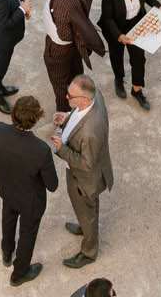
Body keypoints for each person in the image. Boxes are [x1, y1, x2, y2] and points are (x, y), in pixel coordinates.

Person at [0, 91, 58, 287]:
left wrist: (2, 175)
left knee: (8, 218)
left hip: (7, 190)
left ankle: (7, 252)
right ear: (34, 121)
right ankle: (19, 274)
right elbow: (52, 185)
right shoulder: (41, 150)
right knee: (27, 234)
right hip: (31, 201)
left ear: (13, 113)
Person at [53, 73, 113, 273]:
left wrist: (62, 148)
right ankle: (86, 226)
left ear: (84, 99)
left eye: (70, 96)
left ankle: (89, 251)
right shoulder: (95, 97)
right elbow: (79, 116)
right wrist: (67, 119)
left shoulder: (90, 132)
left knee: (87, 210)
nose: (66, 98)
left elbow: (86, 164)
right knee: (86, 211)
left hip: (84, 179)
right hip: (86, 172)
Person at [42, 0, 104, 111]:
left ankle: (63, 119)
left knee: (61, 86)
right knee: (77, 75)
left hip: (60, 50)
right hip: (78, 46)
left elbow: (63, 34)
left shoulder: (62, 2)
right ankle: (82, 105)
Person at [98, 0, 161, 109]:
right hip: (116, 27)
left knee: (139, 58)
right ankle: (119, 79)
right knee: (116, 55)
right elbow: (107, 18)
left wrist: (159, 7)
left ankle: (137, 90)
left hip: (136, 24)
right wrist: (119, 36)